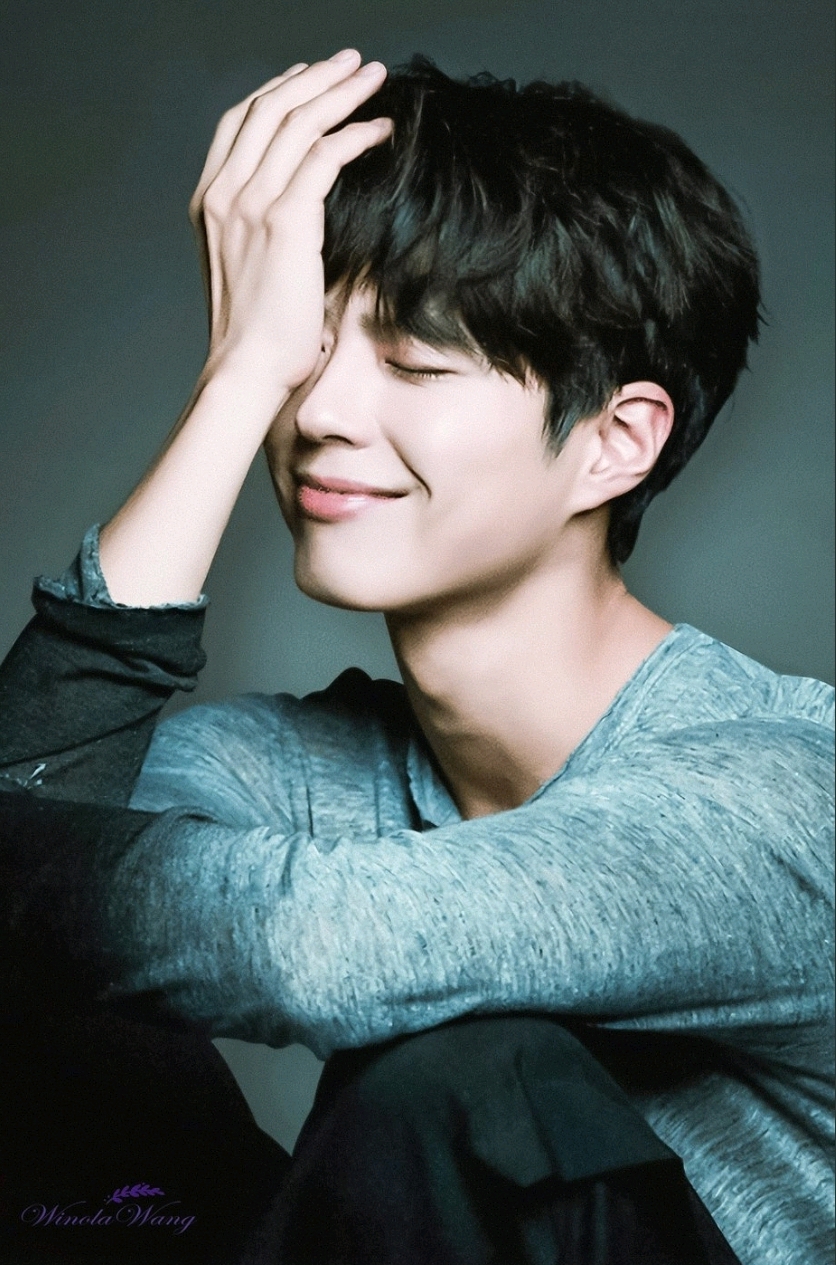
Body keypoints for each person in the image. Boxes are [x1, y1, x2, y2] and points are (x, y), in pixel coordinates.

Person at [0, 51, 832, 1265]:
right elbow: (33, 822)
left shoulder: (783, 792)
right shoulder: (296, 768)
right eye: (303, 351)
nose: (319, 413)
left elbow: (313, 947)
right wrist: (234, 382)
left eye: (413, 362)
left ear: (614, 442)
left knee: (470, 1074)